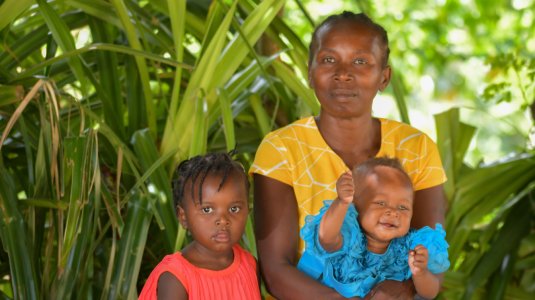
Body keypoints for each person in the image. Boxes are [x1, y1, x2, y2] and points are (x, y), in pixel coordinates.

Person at [250, 11, 447, 299]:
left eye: (360, 61)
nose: (343, 73)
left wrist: (400, 290)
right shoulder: (281, 149)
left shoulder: (416, 147)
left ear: (384, 76)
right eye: (329, 60)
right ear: (309, 73)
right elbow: (275, 270)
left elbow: (431, 255)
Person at [297, 157, 449, 299]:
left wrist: (420, 273)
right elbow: (326, 239)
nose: (394, 212)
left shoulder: (408, 249)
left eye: (403, 207)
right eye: (381, 203)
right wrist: (341, 203)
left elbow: (430, 293)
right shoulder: (349, 236)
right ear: (355, 206)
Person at [139, 152, 261, 300]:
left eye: (234, 209)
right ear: (183, 217)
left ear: (247, 210)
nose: (223, 220)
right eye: (207, 210)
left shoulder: (249, 265)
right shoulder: (175, 278)